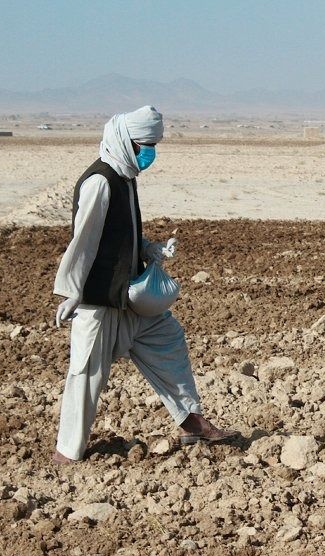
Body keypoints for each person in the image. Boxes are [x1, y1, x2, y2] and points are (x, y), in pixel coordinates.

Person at [51, 105, 237, 464]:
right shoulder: (100, 181)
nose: (149, 153)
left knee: (168, 340)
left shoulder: (125, 176)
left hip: (130, 294)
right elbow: (84, 241)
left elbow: (119, 236)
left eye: (152, 145)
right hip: (101, 299)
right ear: (125, 140)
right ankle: (67, 453)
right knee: (86, 374)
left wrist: (150, 248)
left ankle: (193, 422)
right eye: (144, 145)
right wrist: (72, 291)